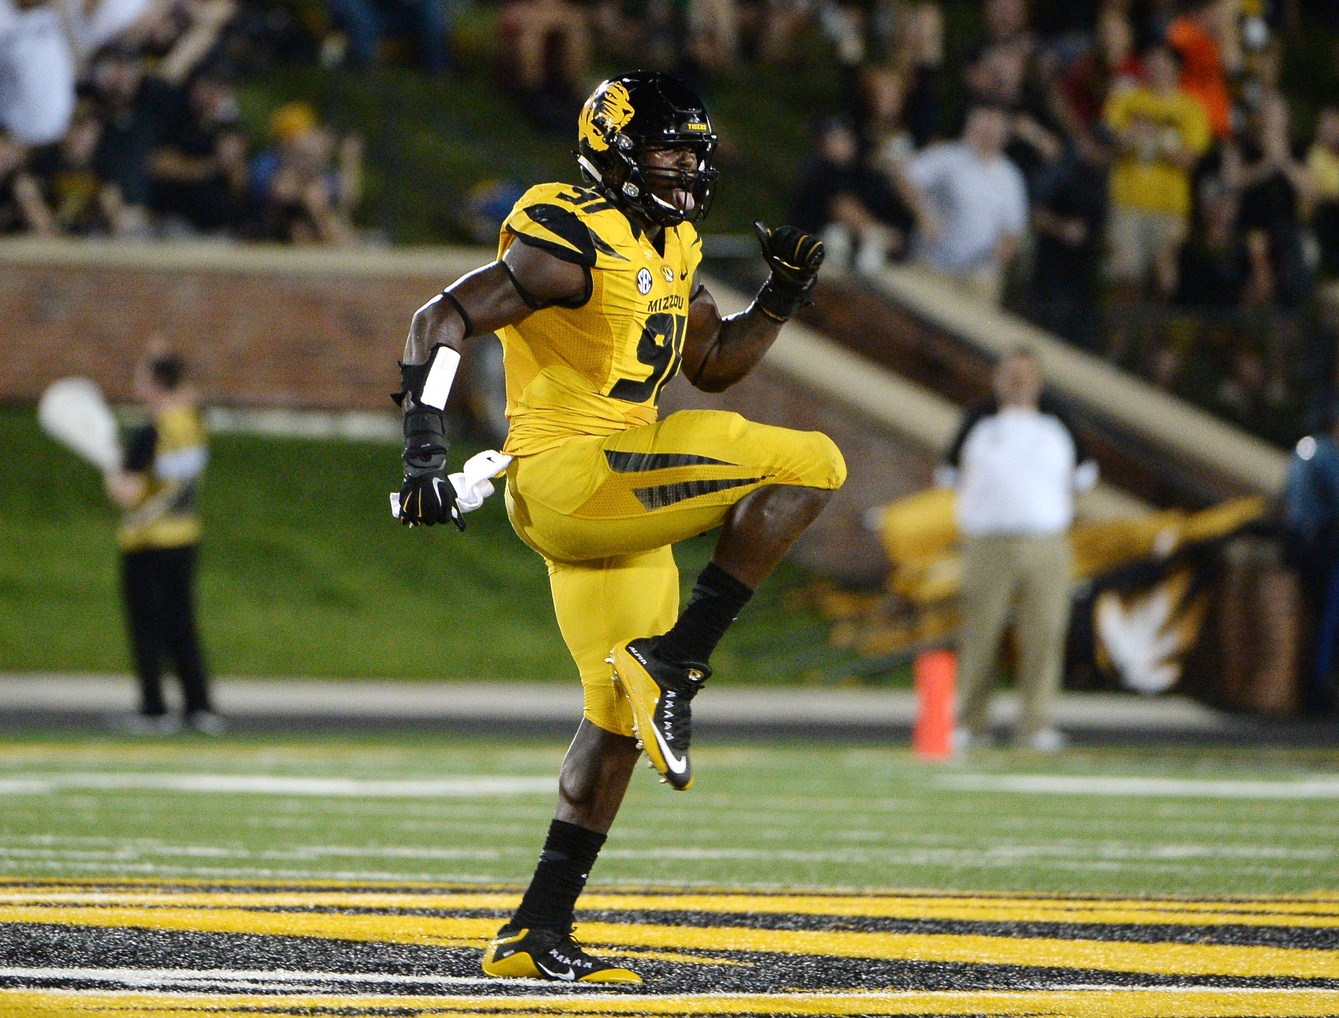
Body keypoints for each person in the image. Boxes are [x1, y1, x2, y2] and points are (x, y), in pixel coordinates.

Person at [391, 71, 844, 982]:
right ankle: (677, 659)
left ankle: (533, 931)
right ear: (617, 149)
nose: (689, 168)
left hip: (617, 501)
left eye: (696, 151)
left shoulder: (671, 240)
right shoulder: (569, 230)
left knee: (613, 720)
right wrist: (421, 451)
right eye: (672, 149)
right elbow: (440, 316)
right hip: (574, 472)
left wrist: (781, 296)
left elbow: (709, 366)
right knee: (812, 463)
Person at [937, 347, 1097, 751]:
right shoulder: (978, 423)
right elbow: (947, 475)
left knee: (1044, 633)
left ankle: (1036, 724)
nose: (1018, 381)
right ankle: (971, 723)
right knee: (980, 633)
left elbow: (1083, 479)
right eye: (1010, 373)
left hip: (1045, 543)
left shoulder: (1058, 425)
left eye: (1026, 374)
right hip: (986, 543)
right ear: (997, 379)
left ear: (1039, 381)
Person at [104, 348, 224, 736]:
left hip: (145, 540)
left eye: (142, 377)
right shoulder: (192, 421)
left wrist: (111, 473)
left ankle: (154, 709)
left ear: (155, 383)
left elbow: (127, 491)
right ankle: (199, 707)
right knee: (182, 626)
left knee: (146, 628)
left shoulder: (150, 430)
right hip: (185, 535)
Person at [1102, 42, 1212, 302]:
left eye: (1163, 63)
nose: (1157, 68)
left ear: (1176, 69)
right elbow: (1110, 140)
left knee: (1165, 282)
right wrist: (1154, 139)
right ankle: (1119, 340)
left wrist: (1151, 137)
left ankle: (1155, 341)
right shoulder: (1126, 99)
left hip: (1170, 207)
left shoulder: (1191, 108)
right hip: (1127, 201)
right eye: (1152, 61)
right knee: (1125, 277)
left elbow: (1189, 158)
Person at [899, 102, 1028, 305]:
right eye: (985, 122)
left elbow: (1014, 228)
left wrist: (1002, 252)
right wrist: (923, 214)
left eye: (996, 125)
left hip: (977, 278)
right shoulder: (948, 156)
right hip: (934, 265)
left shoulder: (1011, 177)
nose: (990, 130)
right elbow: (905, 177)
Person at [1282, 399, 1339, 715]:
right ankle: (1318, 686)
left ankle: (1307, 685)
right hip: (1321, 548)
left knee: (1307, 619)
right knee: (1326, 620)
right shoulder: (1327, 453)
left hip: (1297, 544)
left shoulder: (1301, 449)